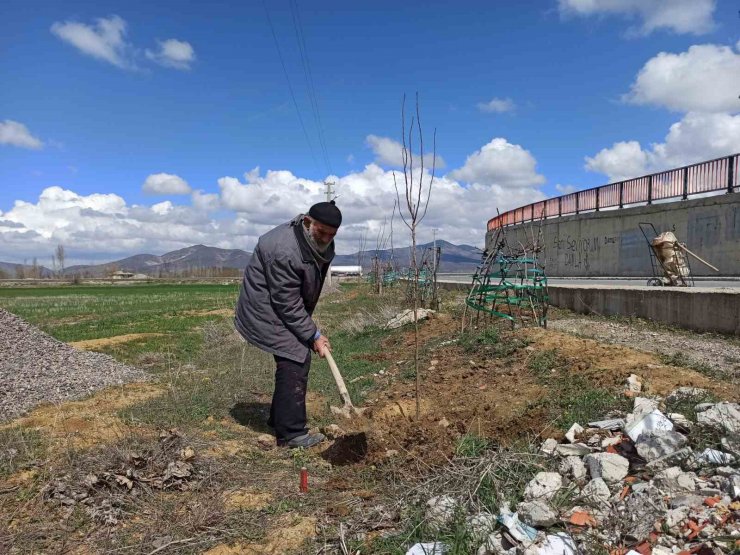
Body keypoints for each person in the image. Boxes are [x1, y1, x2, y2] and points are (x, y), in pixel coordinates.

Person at [234, 201, 341, 448]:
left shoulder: (315, 241)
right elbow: (286, 302)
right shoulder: (283, 249)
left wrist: (310, 332)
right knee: (295, 356)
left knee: (295, 352)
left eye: (331, 234)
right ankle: (291, 434)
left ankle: (279, 418)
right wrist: (313, 334)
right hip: (264, 307)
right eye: (321, 232)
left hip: (281, 304)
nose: (326, 238)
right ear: (306, 222)